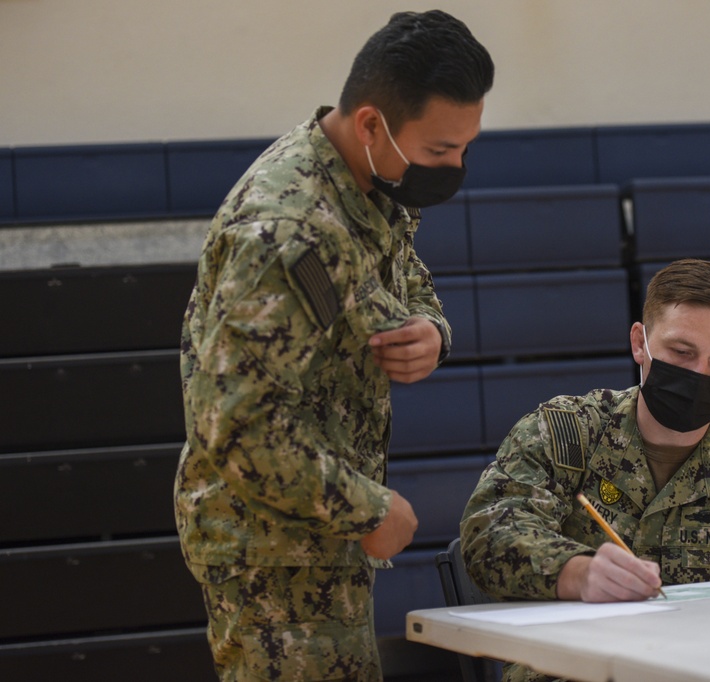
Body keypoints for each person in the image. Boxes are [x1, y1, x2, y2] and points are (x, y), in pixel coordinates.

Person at [174, 10, 493, 681]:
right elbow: (233, 428)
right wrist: (367, 506)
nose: (455, 167)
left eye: (465, 148)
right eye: (440, 151)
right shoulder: (285, 230)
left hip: (317, 536)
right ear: (374, 123)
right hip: (271, 551)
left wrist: (432, 333)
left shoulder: (371, 179)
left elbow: (411, 283)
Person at [461, 258, 710, 681]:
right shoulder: (566, 434)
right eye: (682, 353)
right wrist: (577, 573)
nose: (698, 374)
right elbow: (488, 536)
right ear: (639, 343)